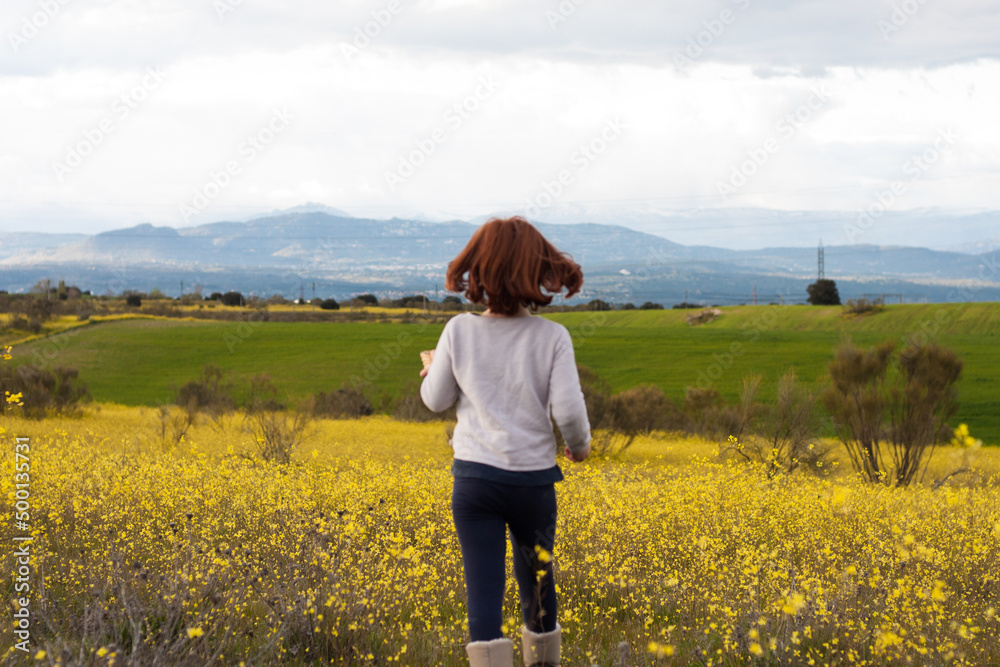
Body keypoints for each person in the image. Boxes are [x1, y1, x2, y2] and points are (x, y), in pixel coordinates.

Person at [419, 216, 592, 667]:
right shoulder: (553, 337)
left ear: (478, 270)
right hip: (532, 485)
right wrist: (581, 445)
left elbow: (436, 400)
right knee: (537, 583)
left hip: (475, 482)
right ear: (540, 271)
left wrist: (435, 367)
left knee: (483, 589)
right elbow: (570, 412)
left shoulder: (458, 330)